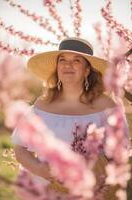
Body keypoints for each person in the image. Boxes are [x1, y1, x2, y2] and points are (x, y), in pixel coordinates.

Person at [11, 37, 128, 199]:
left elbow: (121, 150)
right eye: (62, 60)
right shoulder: (42, 105)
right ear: (57, 67)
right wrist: (40, 169)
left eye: (76, 60)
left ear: (87, 69)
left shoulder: (106, 105)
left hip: (93, 191)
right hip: (47, 191)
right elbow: (20, 148)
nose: (67, 65)